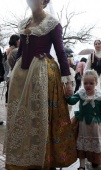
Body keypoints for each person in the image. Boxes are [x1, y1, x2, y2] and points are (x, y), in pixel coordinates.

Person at [4, 0, 77, 170]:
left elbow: (60, 52)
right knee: (22, 116)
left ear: (44, 1)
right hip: (22, 76)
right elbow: (21, 52)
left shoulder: (52, 24)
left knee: (42, 117)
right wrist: (12, 74)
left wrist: (68, 82)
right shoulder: (24, 24)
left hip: (43, 74)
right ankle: (24, 156)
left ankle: (45, 158)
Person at [66, 70, 101, 170]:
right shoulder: (81, 93)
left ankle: (95, 160)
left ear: (96, 83)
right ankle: (81, 165)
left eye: (91, 83)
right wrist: (68, 95)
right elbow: (72, 101)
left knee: (95, 143)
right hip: (83, 125)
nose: (88, 85)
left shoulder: (100, 96)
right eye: (85, 83)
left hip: (96, 126)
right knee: (82, 143)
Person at [4, 34, 20, 104]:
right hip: (14, 73)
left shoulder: (9, 50)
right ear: (16, 41)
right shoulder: (15, 51)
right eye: (19, 40)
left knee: (9, 92)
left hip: (9, 73)